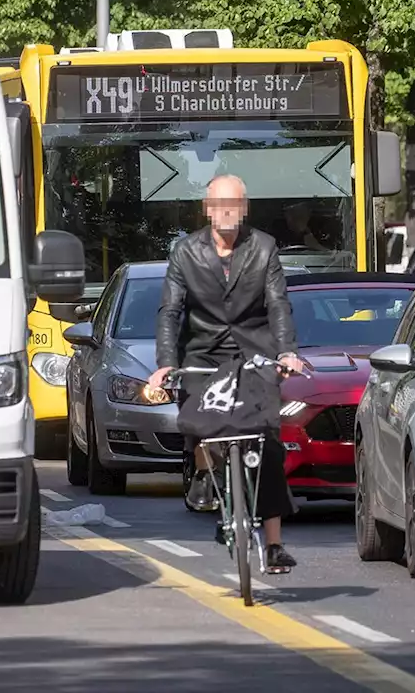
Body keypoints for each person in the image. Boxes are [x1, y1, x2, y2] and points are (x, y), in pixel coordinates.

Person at [147, 174, 305, 573]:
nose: (226, 212)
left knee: (267, 440)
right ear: (208, 209)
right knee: (198, 417)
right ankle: (203, 468)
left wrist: (286, 352)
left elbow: (278, 306)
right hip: (202, 352)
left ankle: (273, 545)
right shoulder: (185, 252)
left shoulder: (264, 247)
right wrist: (165, 363)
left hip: (255, 352)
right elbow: (171, 312)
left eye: (234, 204)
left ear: (244, 208)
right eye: (219, 205)